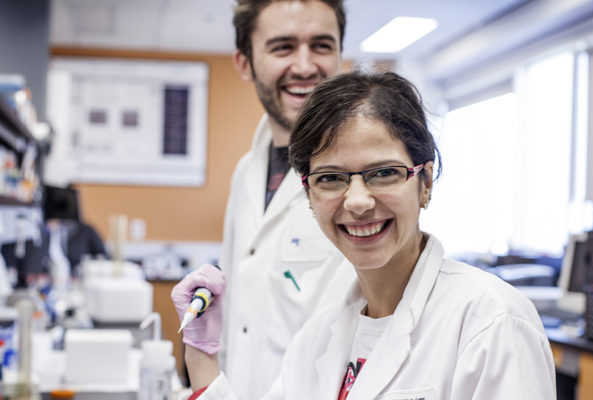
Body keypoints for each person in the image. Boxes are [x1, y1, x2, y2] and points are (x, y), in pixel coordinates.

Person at [172, 70, 556, 399]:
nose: (356, 201)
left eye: (384, 172)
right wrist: (202, 358)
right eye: (331, 178)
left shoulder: (491, 322)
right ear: (309, 195)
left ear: (424, 182)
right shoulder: (317, 338)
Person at [214, 0, 354, 398]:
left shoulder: (364, 177)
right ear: (245, 63)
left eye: (322, 45)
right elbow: (233, 317)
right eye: (283, 47)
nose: (306, 66)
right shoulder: (246, 172)